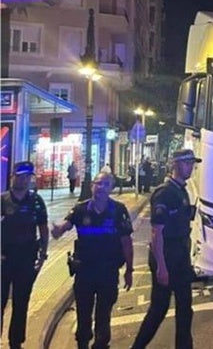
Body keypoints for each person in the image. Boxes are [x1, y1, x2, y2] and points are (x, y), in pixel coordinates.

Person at [51, 171, 134, 349]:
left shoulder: (119, 210)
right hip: (85, 272)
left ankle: (101, 343)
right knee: (83, 311)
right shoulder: (80, 209)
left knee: (104, 312)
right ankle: (82, 342)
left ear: (111, 188)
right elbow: (64, 226)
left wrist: (129, 270)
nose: (101, 187)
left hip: (108, 271)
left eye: (105, 184)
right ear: (91, 186)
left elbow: (126, 242)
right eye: (98, 183)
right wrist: (57, 230)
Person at [132, 149, 199, 349]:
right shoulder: (165, 193)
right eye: (187, 163)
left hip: (179, 254)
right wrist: (161, 266)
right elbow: (156, 233)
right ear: (175, 164)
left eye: (192, 163)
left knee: (185, 308)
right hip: (167, 254)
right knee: (159, 309)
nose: (191, 167)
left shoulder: (181, 190)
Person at [1, 161, 49, 349]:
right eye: (20, 175)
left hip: (26, 259)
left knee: (21, 302)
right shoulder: (3, 200)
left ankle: (15, 342)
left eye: (27, 176)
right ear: (13, 176)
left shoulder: (36, 201)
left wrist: (43, 255)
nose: (23, 179)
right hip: (4, 258)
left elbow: (43, 229)